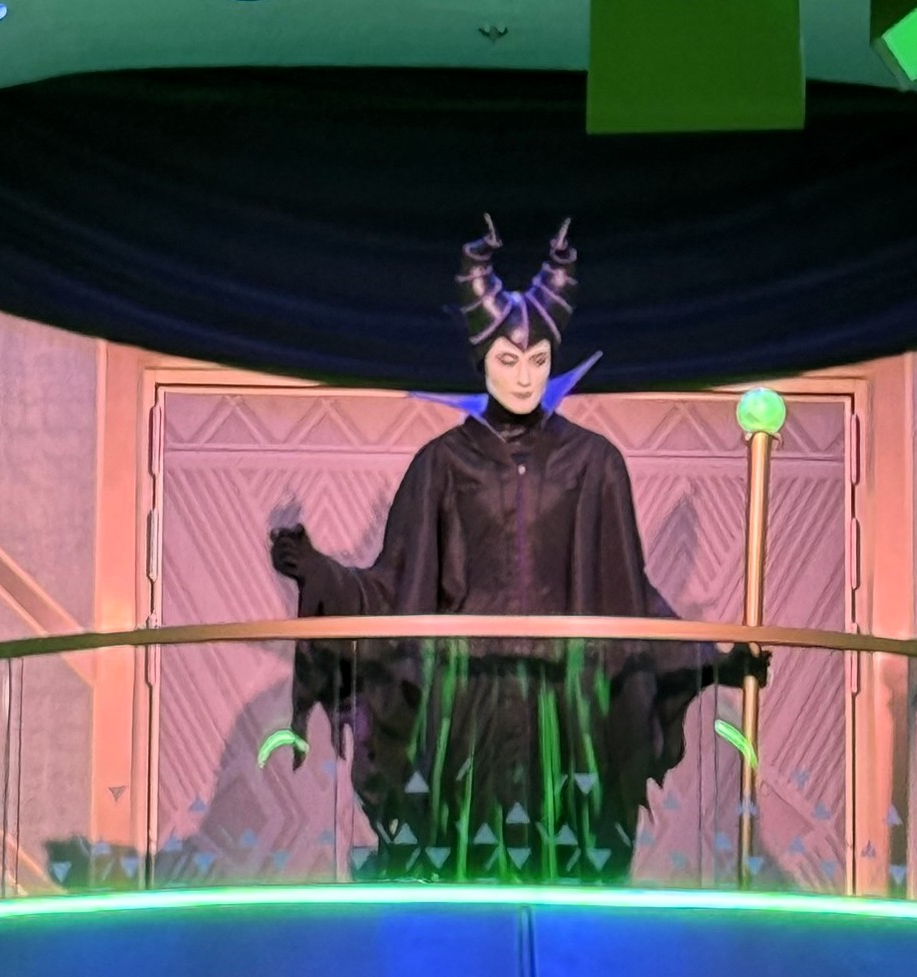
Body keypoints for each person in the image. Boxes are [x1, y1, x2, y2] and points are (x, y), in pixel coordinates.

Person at [270, 216, 765, 883]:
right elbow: (394, 589)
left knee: (565, 868)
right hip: (466, 703)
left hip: (564, 706)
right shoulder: (441, 465)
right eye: (508, 359)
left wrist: (712, 660)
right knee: (463, 867)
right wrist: (319, 573)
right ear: (481, 361)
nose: (525, 376)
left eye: (538, 360)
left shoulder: (595, 464)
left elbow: (629, 596)